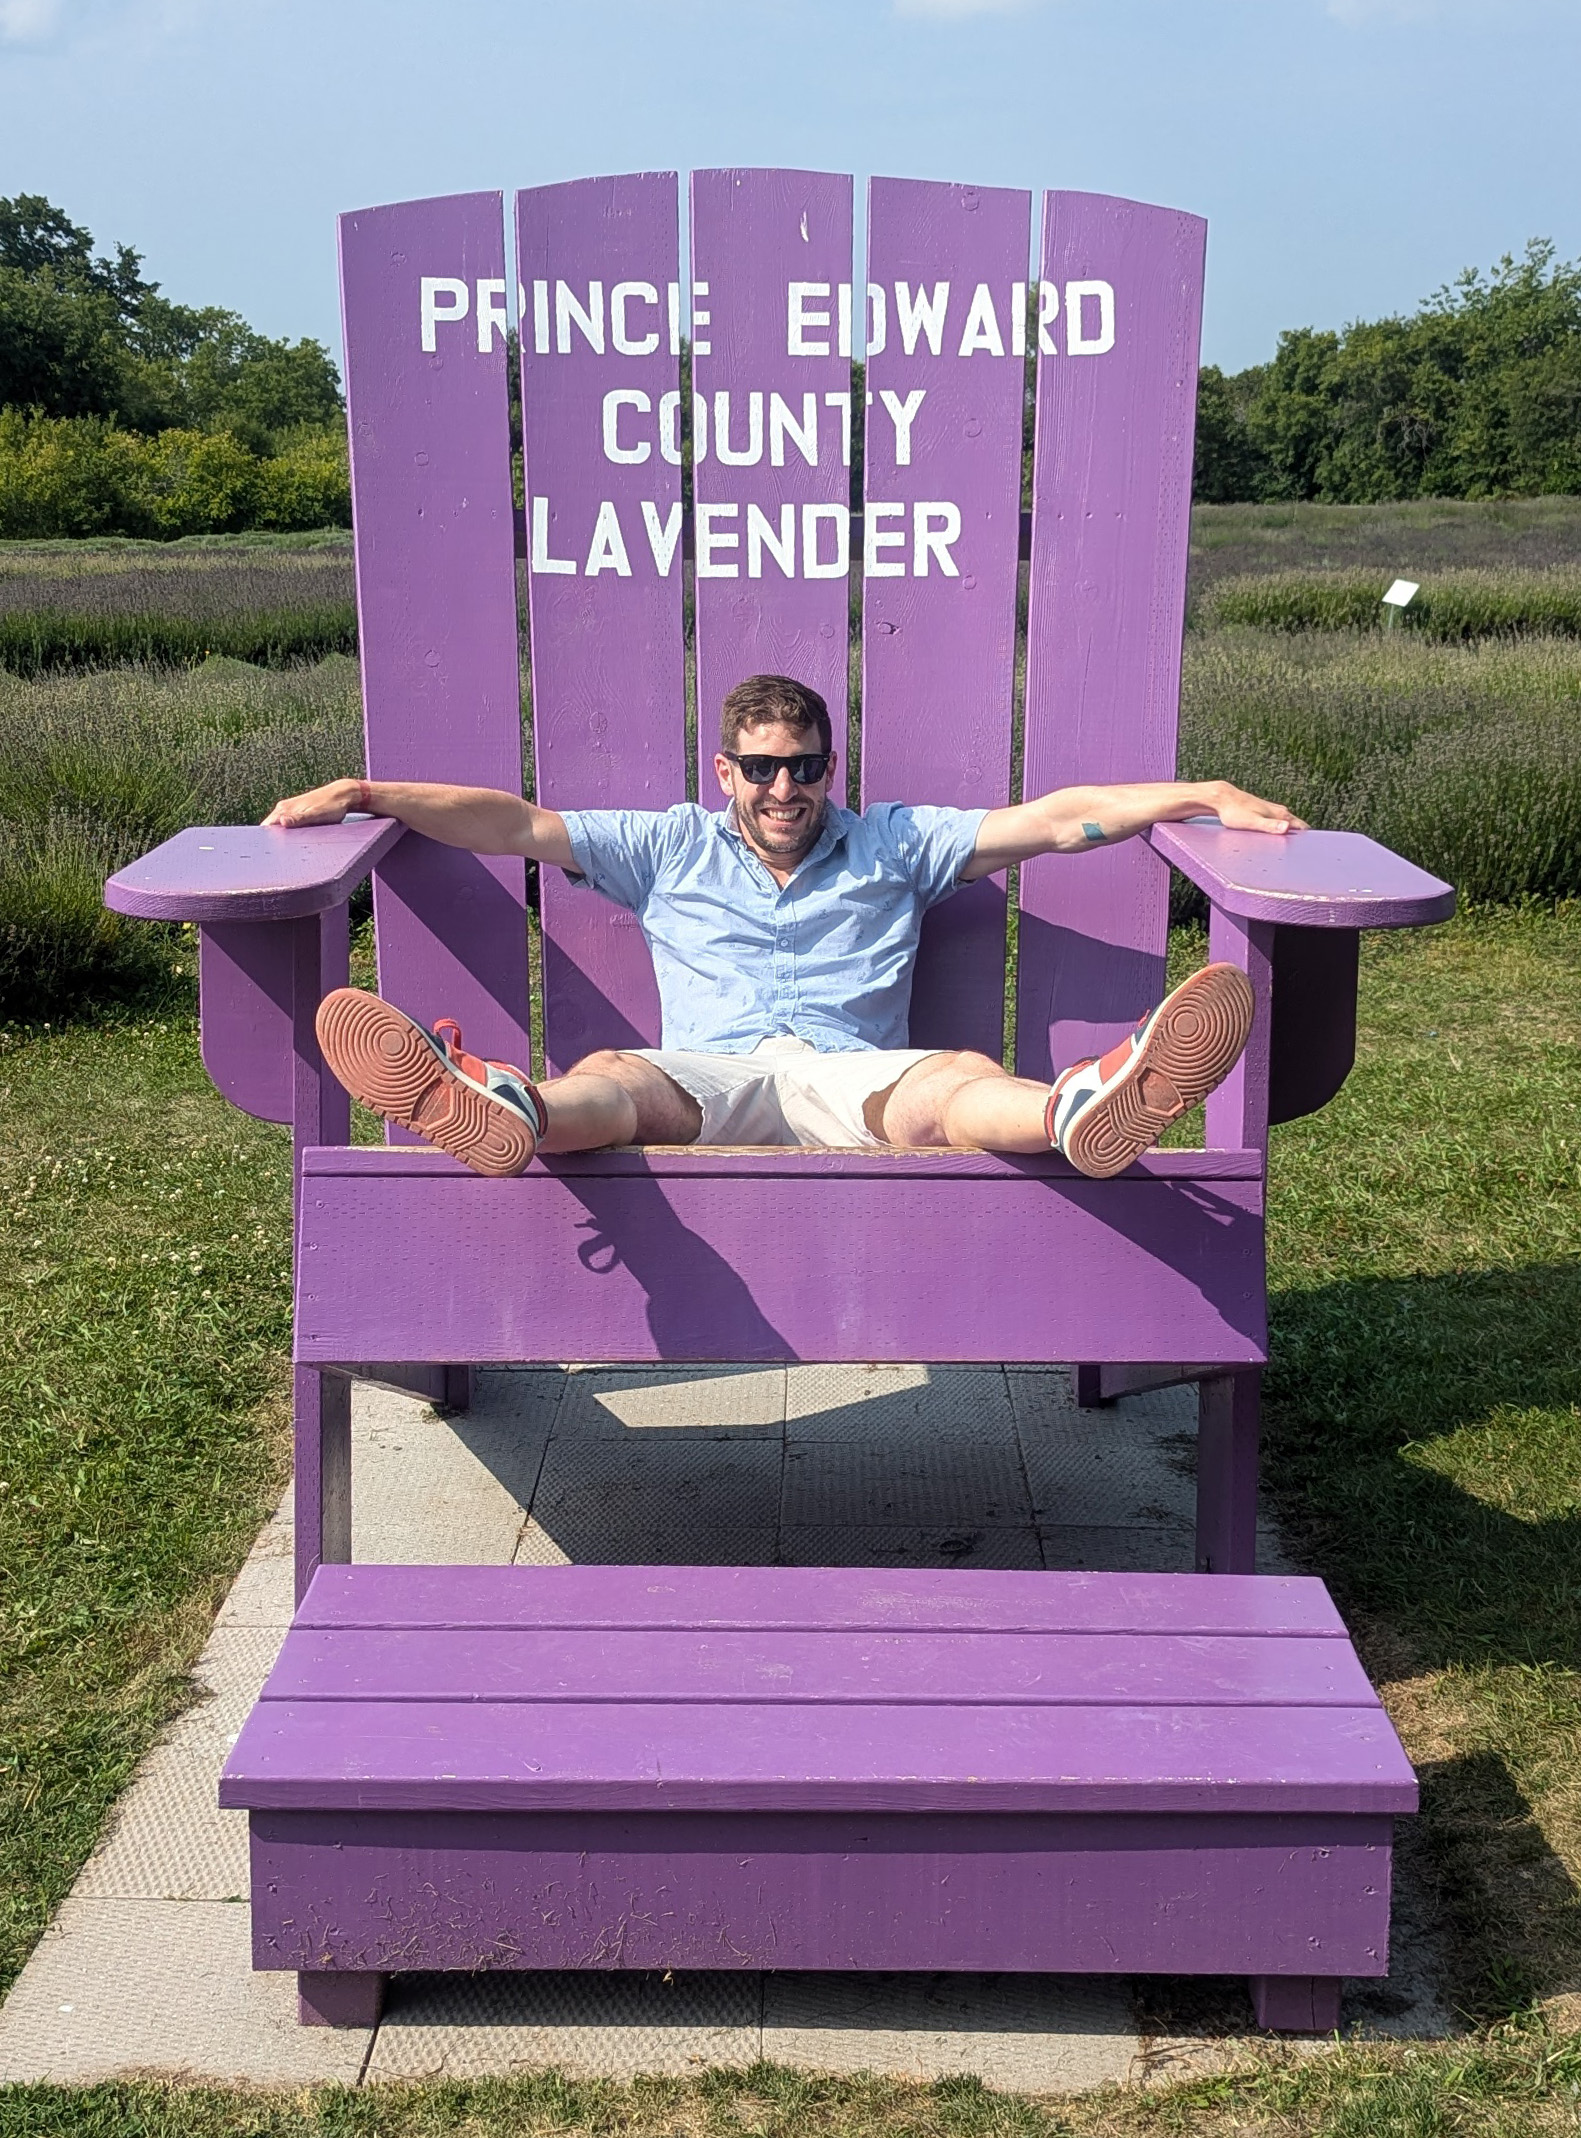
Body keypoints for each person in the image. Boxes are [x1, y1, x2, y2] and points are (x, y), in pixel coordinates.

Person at [265, 673, 1305, 1181]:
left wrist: (1201, 793)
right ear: (726, 771)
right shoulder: (669, 846)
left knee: (952, 1084)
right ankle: (509, 1107)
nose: (783, 787)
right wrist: (371, 790)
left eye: (803, 765)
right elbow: (515, 821)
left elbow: (1053, 821)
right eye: (760, 767)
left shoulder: (895, 841)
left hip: (859, 1080)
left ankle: (1077, 1108)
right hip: (706, 1078)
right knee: (617, 1080)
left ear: (827, 769)